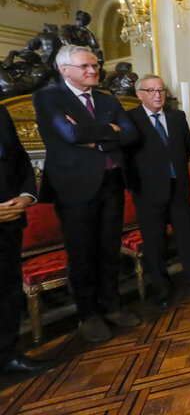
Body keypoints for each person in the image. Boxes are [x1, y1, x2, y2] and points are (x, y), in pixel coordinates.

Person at [33, 45, 139, 343]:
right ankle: (88, 314)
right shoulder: (48, 97)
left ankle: (112, 306)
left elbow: (130, 133)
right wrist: (110, 131)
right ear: (65, 69)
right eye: (85, 66)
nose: (93, 71)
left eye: (95, 65)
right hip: (74, 188)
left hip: (112, 183)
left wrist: (94, 136)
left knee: (109, 249)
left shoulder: (107, 98)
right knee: (82, 252)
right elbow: (69, 135)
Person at [125, 75, 190, 310]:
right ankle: (162, 290)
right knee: (155, 243)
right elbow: (127, 157)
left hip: (178, 187)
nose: (157, 95)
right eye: (151, 90)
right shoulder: (130, 119)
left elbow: (184, 149)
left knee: (186, 236)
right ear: (139, 94)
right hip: (148, 192)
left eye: (161, 90)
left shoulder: (177, 116)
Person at [0, 104, 56, 374]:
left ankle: (8, 355)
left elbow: (19, 159)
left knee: (8, 294)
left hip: (9, 221)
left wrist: (25, 196)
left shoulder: (0, 111)